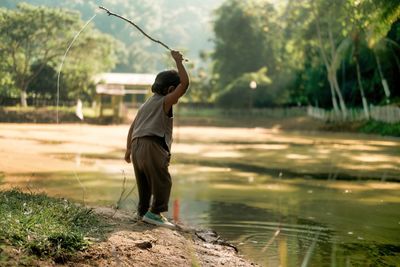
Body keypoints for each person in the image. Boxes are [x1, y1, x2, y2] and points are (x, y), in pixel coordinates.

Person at [124, 50, 189, 229]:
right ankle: (155, 212)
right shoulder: (165, 101)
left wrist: (128, 149)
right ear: (170, 90)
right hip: (153, 145)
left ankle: (143, 212)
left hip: (137, 145)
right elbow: (185, 84)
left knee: (144, 182)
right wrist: (179, 62)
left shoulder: (146, 104)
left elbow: (132, 126)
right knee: (162, 181)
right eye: (175, 92)